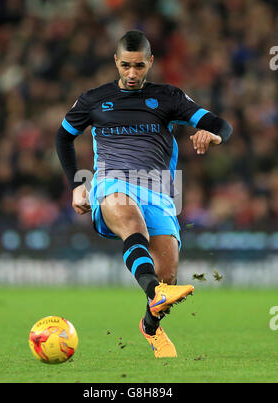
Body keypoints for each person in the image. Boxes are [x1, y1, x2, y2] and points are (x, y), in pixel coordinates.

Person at [56, 30, 232, 358]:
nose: (132, 73)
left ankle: (150, 324)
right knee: (129, 220)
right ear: (116, 62)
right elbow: (63, 138)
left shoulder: (168, 97)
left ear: (150, 62)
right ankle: (154, 291)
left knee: (168, 275)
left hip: (158, 191)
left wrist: (214, 135)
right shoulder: (93, 99)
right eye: (125, 66)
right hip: (112, 183)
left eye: (139, 66)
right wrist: (77, 185)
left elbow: (220, 123)